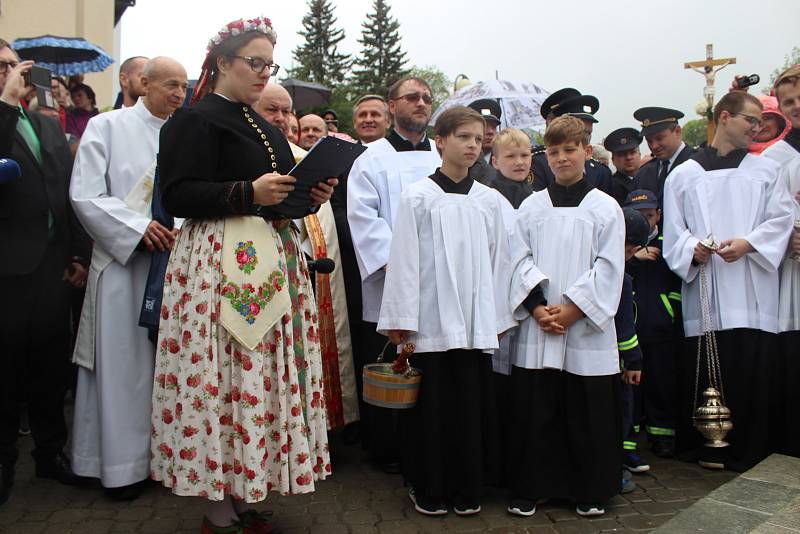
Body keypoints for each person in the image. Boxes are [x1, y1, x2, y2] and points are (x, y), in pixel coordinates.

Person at [150, 17, 335, 533]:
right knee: (222, 378)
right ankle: (216, 506)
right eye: (254, 62)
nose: (262, 73)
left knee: (251, 380)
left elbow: (276, 195)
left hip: (265, 261)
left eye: (268, 64)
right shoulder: (195, 120)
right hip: (216, 267)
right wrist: (248, 193)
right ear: (223, 62)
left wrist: (306, 197)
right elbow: (178, 194)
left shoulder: (262, 125)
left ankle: (242, 488)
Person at [378, 106, 514, 516]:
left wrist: (498, 318)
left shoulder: (489, 200)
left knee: (470, 406)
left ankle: (467, 484)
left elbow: (499, 262)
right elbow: (403, 260)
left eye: (478, 138)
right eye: (464, 137)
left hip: (474, 322)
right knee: (432, 408)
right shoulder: (419, 197)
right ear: (441, 141)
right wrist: (402, 319)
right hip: (430, 321)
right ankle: (429, 485)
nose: (473, 145)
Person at [69, 57, 188, 500]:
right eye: (170, 85)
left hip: (173, 265)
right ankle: (118, 468)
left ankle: (162, 462)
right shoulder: (107, 127)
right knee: (122, 369)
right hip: (122, 266)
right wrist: (138, 229)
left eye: (183, 87)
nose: (178, 94)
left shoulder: (184, 134)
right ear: (144, 84)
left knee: (162, 372)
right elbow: (84, 193)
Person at [663, 91, 794, 472]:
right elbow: (674, 233)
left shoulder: (766, 171)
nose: (757, 127)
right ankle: (706, 446)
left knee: (752, 367)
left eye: (759, 122)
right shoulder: (684, 175)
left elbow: (782, 220)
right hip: (706, 287)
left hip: (753, 290)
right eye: (750, 120)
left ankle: (749, 447)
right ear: (724, 117)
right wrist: (693, 249)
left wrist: (750, 243)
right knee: (705, 368)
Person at [507, 115, 624, 518]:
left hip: (584, 330)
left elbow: (609, 268)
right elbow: (516, 260)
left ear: (587, 153)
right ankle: (531, 486)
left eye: (569, 150)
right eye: (553, 151)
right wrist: (538, 306)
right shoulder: (531, 206)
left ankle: (587, 488)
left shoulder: (606, 208)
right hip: (539, 326)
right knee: (537, 411)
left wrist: (574, 309)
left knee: (584, 413)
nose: (561, 158)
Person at [0, 38, 91, 507]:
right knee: (6, 371)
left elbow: (67, 191)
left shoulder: (46, 125)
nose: (13, 73)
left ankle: (50, 455)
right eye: (1, 66)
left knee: (50, 368)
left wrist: (77, 253)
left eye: (14, 65)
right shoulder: (5, 118)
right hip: (7, 272)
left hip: (51, 269)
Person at [347, 76, 441, 473]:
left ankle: (430, 442)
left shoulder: (444, 152)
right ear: (392, 106)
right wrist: (402, 270)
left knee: (433, 366)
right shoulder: (371, 159)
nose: (420, 103)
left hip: (441, 284)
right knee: (392, 364)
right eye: (412, 97)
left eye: (426, 97)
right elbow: (365, 219)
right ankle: (388, 450)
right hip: (392, 286)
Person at [254, 85, 360, 434]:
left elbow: (320, 226)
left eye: (287, 112)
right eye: (272, 110)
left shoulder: (303, 158)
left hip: (306, 273)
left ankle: (316, 426)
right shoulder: (242, 155)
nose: (281, 119)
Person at [624, 189, 683, 459]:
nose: (645, 220)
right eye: (638, 215)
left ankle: (662, 435)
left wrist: (669, 310)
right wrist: (634, 260)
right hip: (631, 330)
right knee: (631, 386)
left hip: (660, 327)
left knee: (661, 383)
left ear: (658, 214)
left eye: (649, 215)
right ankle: (629, 439)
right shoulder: (623, 245)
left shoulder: (668, 242)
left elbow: (677, 281)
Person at [763, 64, 800, 458]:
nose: (795, 107)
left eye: (799, 98)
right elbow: (767, 219)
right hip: (791, 271)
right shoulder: (774, 159)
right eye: (787, 101)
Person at [617, 207, 649, 487]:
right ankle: (616, 469)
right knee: (620, 412)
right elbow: (625, 327)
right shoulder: (622, 280)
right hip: (618, 365)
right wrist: (633, 360)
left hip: (611, 363)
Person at [531, 87, 613, 195]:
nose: (562, 158)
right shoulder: (538, 164)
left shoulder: (601, 172)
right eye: (581, 130)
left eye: (588, 133)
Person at [632, 107, 695, 204]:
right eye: (649, 141)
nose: (654, 146)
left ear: (677, 132)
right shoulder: (643, 174)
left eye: (659, 138)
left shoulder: (697, 165)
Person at [488, 127, 534, 208]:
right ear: (495, 162)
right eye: (510, 156)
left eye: (524, 155)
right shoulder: (487, 200)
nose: (519, 162)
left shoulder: (539, 200)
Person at [603, 127, 643, 205]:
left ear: (640, 155)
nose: (628, 157)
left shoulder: (650, 178)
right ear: (613, 160)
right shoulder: (610, 185)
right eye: (622, 154)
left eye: (632, 152)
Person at [466, 98, 502, 185]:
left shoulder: (505, 159)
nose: (490, 132)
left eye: (493, 127)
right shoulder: (463, 161)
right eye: (484, 126)